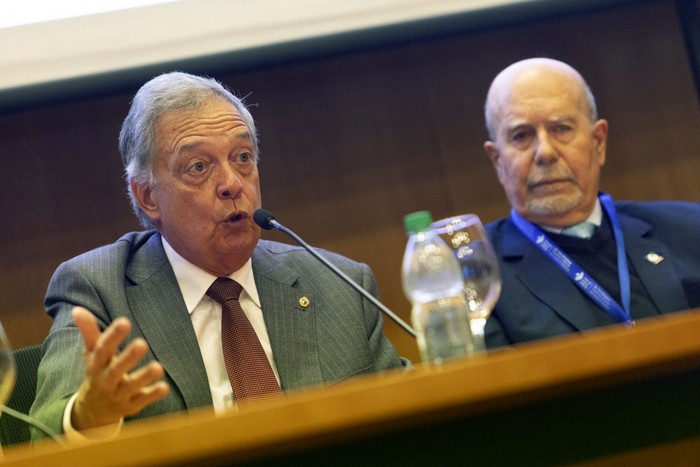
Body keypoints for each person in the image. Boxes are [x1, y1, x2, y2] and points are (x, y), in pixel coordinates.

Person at [29, 71, 407, 439]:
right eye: (199, 166)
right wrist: (89, 416)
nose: (232, 184)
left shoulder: (338, 284)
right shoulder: (99, 290)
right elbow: (46, 430)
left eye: (243, 157)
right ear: (148, 196)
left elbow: (410, 416)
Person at [482, 58, 700, 348]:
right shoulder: (475, 272)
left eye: (561, 128)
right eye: (521, 136)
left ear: (598, 142)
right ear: (497, 160)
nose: (545, 152)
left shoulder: (691, 230)